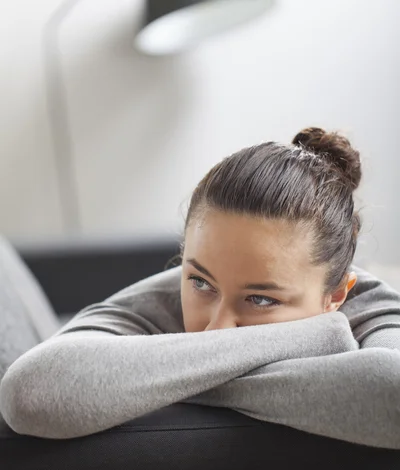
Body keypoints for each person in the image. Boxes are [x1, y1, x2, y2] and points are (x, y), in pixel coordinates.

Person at [1, 127, 400, 447]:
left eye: (260, 299)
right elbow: (29, 395)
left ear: (336, 297)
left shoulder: (370, 305)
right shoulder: (156, 300)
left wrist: (165, 383)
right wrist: (311, 337)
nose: (216, 328)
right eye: (200, 282)